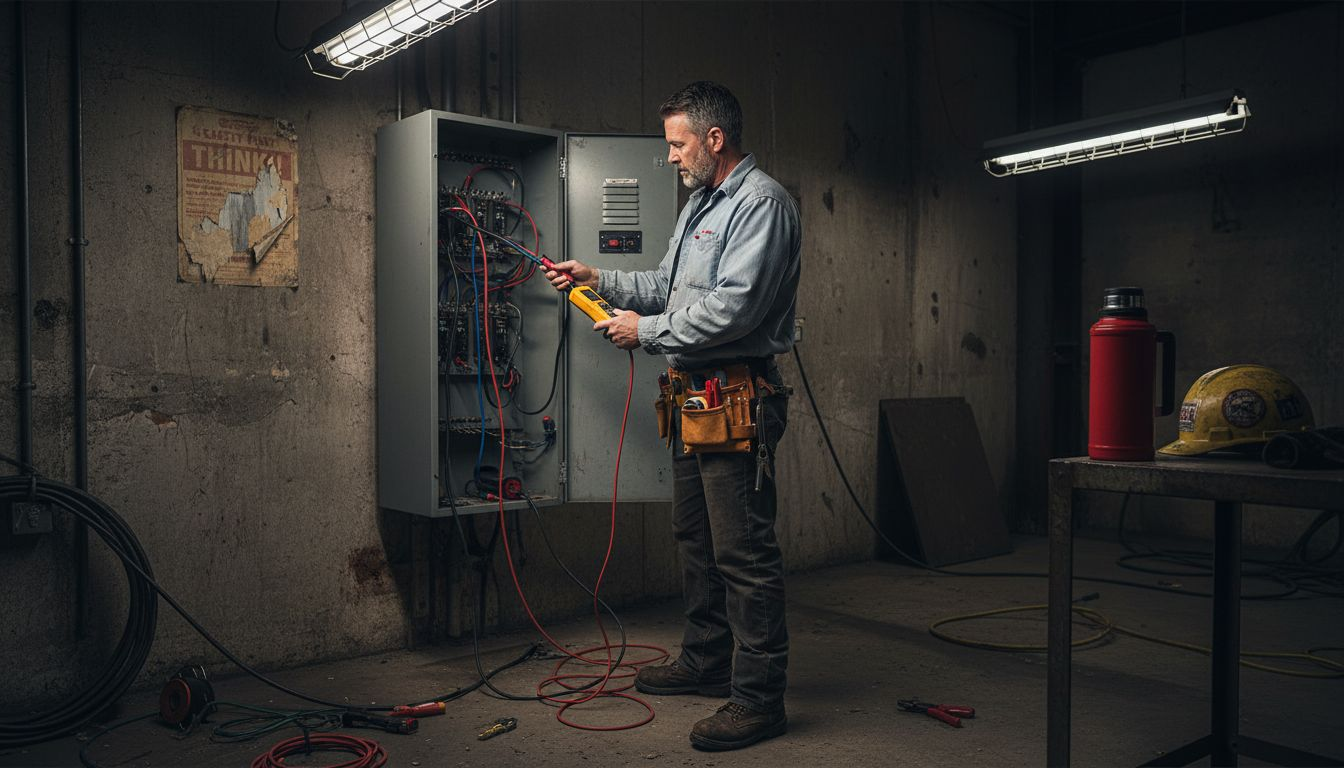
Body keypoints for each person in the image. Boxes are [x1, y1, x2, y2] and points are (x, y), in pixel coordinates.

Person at [545, 81, 802, 751]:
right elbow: (666, 284)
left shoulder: (761, 205)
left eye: (676, 144)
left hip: (737, 396)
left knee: (743, 553)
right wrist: (598, 280)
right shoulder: (699, 207)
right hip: (694, 398)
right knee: (695, 538)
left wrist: (646, 332)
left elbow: (734, 310)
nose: (669, 157)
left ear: (714, 139)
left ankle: (758, 699)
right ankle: (709, 660)